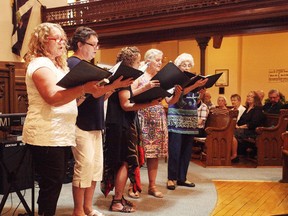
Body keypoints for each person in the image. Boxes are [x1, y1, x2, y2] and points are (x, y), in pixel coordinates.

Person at [22, 22, 104, 216]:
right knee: (51, 183)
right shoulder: (40, 64)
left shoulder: (57, 65)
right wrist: (83, 89)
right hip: (45, 132)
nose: (62, 43)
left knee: (54, 182)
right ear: (43, 41)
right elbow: (51, 97)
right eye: (56, 39)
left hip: (60, 133)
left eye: (63, 39)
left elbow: (68, 99)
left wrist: (88, 93)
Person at [68, 26, 133, 216]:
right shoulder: (73, 63)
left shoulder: (90, 65)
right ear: (80, 44)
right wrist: (112, 86)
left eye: (97, 45)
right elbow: (74, 99)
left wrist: (110, 88)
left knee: (95, 168)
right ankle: (78, 210)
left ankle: (88, 207)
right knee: (84, 167)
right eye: (92, 44)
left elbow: (97, 97)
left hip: (96, 123)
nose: (96, 49)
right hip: (81, 123)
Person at [102, 46, 163, 213]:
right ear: (131, 62)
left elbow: (128, 95)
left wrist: (145, 89)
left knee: (123, 161)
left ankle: (119, 197)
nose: (140, 63)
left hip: (119, 122)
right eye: (138, 61)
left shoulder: (121, 75)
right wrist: (150, 103)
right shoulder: (126, 75)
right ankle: (116, 202)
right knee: (123, 162)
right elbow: (126, 104)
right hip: (120, 123)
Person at [135, 48, 182, 197]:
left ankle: (152, 186)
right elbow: (131, 94)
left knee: (154, 154)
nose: (159, 63)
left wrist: (177, 95)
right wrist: (146, 87)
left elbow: (169, 101)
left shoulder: (163, 79)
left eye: (161, 60)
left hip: (158, 116)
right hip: (142, 115)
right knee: (138, 153)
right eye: (157, 60)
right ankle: (133, 185)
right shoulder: (140, 76)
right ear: (148, 60)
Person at [166, 53, 207, 190]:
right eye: (184, 64)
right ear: (178, 66)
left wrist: (200, 94)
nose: (187, 67)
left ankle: (182, 177)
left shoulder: (194, 79)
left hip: (190, 118)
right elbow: (174, 96)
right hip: (176, 118)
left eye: (189, 64)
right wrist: (194, 85)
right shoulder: (173, 79)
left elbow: (195, 102)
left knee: (186, 150)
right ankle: (171, 178)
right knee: (175, 149)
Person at [231, 91, 265, 163]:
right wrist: (237, 125)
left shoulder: (257, 109)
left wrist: (240, 127)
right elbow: (240, 120)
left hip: (252, 131)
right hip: (243, 130)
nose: (248, 97)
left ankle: (234, 155)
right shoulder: (247, 108)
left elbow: (253, 124)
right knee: (229, 132)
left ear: (255, 99)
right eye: (248, 96)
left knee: (231, 133)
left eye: (251, 96)